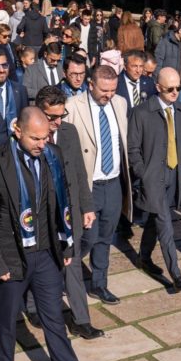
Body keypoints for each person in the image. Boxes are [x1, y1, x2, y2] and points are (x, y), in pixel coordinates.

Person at [0, 106, 104, 361]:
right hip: (12, 258)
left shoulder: (52, 156)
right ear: (17, 131)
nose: (42, 143)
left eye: (46, 137)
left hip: (46, 253)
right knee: (6, 317)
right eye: (35, 138)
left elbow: (62, 204)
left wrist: (67, 247)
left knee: (54, 320)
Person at [25, 87, 104, 338]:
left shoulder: (69, 132)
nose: (58, 122)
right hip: (37, 214)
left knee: (74, 264)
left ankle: (81, 320)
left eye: (62, 115)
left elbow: (79, 173)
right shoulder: (25, 136)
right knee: (35, 262)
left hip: (68, 212)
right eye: (53, 117)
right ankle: (31, 305)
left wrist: (87, 206)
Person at [128, 67, 181, 291]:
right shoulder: (141, 112)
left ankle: (144, 257)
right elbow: (132, 149)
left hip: (174, 174)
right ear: (158, 87)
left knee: (155, 218)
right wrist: (143, 173)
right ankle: (175, 274)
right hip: (152, 176)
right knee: (165, 223)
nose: (175, 92)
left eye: (178, 87)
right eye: (170, 89)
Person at [65, 64, 131, 305]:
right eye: (104, 90)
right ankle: (64, 274)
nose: (109, 95)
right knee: (86, 238)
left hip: (113, 183)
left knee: (105, 236)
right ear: (90, 85)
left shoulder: (120, 103)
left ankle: (99, 284)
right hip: (88, 187)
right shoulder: (72, 107)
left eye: (113, 90)